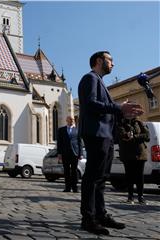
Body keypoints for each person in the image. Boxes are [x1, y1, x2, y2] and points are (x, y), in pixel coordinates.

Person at [78, 51, 144, 235]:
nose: (113, 64)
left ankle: (101, 215)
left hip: (105, 135)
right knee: (92, 178)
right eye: (110, 60)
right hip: (96, 134)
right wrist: (118, 108)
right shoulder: (89, 78)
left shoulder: (100, 82)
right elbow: (90, 104)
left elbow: (106, 109)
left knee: (101, 178)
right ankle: (88, 218)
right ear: (99, 61)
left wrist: (122, 112)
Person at [118, 116, 149, 205]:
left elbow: (147, 136)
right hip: (127, 154)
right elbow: (123, 135)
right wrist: (137, 136)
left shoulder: (139, 122)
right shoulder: (121, 123)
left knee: (140, 176)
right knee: (129, 176)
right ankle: (130, 196)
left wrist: (134, 136)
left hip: (140, 153)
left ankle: (141, 196)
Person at [57, 116, 82, 193]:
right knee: (66, 171)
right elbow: (59, 143)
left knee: (74, 171)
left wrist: (80, 154)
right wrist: (59, 153)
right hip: (65, 153)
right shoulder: (61, 130)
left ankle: (75, 188)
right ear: (66, 120)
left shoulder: (77, 130)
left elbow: (80, 143)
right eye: (70, 119)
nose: (72, 120)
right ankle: (67, 188)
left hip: (75, 153)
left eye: (73, 119)